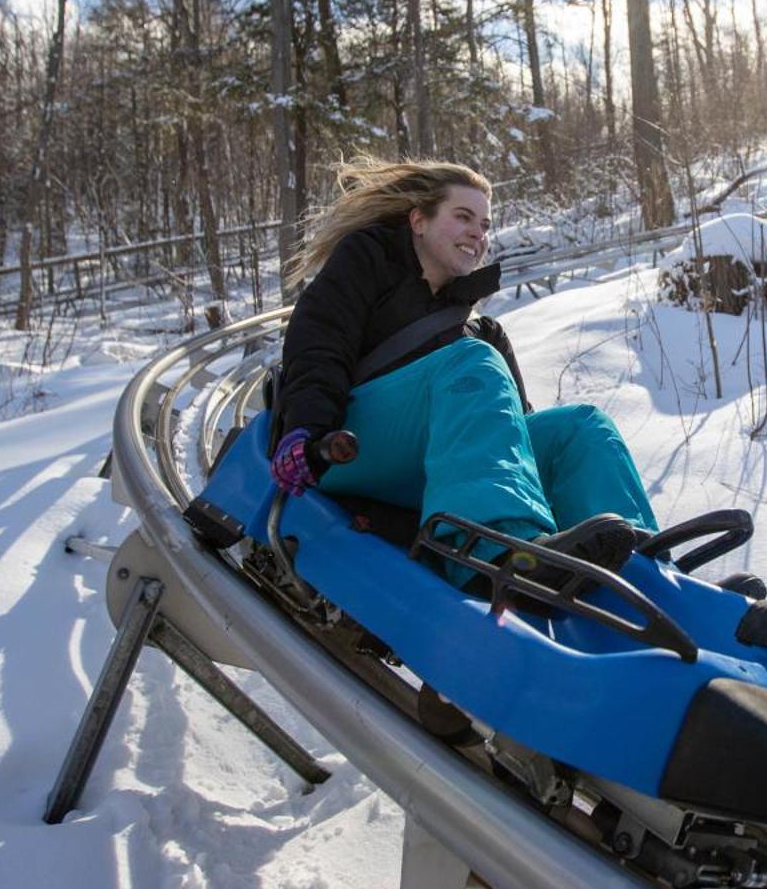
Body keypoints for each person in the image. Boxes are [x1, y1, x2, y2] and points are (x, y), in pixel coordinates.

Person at [270, 159, 656, 578]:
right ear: (419, 221)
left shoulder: (481, 333)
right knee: (471, 361)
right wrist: (306, 429)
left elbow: (508, 435)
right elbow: (318, 348)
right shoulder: (367, 262)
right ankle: (497, 548)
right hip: (345, 448)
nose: (479, 232)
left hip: (428, 466)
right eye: (464, 217)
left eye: (486, 225)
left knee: (580, 427)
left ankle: (641, 566)